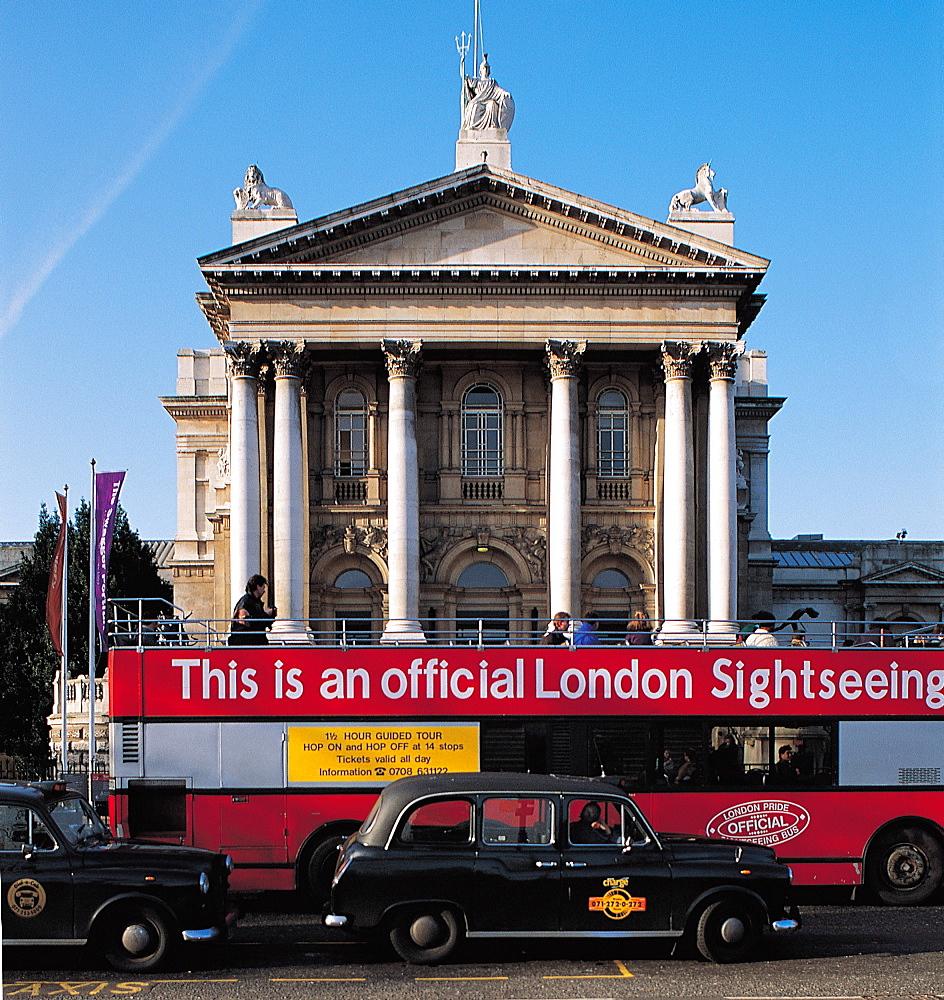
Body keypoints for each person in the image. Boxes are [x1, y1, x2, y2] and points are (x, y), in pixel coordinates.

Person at [228, 574, 277, 646]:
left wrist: (270, 616)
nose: (264, 591)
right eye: (263, 587)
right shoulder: (245, 602)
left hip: (256, 640)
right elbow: (249, 623)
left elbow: (259, 623)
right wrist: (266, 614)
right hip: (247, 641)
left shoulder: (255, 602)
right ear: (258, 587)